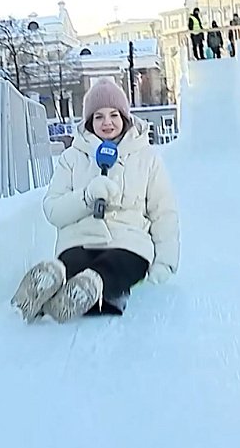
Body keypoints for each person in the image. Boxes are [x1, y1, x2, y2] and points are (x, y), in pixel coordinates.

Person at [11, 78, 180, 323]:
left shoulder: (147, 158)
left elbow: (163, 211)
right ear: (89, 121)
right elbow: (53, 209)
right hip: (80, 240)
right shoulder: (72, 158)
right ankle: (47, 283)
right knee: (72, 263)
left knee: (117, 265)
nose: (107, 122)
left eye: (114, 115)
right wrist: (86, 197)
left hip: (128, 243)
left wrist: (165, 262)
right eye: (98, 116)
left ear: (125, 118)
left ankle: (87, 288)